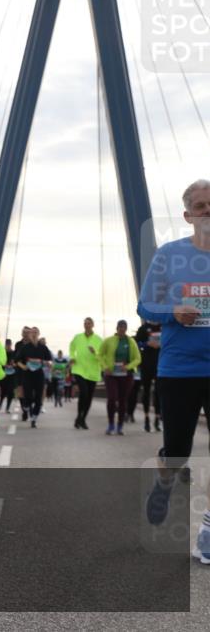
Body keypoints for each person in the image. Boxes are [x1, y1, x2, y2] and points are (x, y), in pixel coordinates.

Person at [139, 178, 210, 567]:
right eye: (201, 206)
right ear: (188, 216)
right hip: (180, 368)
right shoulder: (169, 255)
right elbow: (145, 307)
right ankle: (165, 480)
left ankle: (209, 531)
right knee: (179, 451)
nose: (208, 212)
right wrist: (173, 312)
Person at [98, 319, 142, 435]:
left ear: (126, 329)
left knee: (123, 400)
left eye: (124, 328)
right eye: (120, 328)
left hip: (126, 375)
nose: (122, 330)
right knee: (112, 398)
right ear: (116, 328)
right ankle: (111, 424)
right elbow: (100, 355)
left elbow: (138, 358)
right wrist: (105, 367)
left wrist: (127, 367)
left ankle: (120, 426)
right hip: (111, 374)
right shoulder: (108, 341)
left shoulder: (131, 341)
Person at [69, 317, 103, 429]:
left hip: (93, 372)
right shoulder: (78, 337)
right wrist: (72, 357)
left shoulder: (98, 340)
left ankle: (82, 419)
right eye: (85, 323)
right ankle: (79, 416)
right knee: (84, 392)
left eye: (89, 323)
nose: (86, 325)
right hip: (79, 369)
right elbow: (71, 347)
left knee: (89, 397)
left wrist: (95, 352)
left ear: (93, 325)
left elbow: (102, 356)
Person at [15, 326, 51, 428]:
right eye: (32, 332)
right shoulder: (25, 348)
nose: (34, 334)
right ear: (30, 335)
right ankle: (26, 407)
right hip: (27, 375)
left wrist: (42, 362)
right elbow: (17, 361)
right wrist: (24, 366)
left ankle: (34, 418)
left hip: (39, 374)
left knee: (38, 399)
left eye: (36, 332)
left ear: (38, 334)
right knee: (28, 397)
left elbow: (48, 359)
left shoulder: (43, 347)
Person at [130, 320, 162, 432]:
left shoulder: (163, 326)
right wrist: (147, 344)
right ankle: (147, 419)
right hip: (146, 364)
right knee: (146, 391)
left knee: (158, 392)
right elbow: (135, 344)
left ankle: (157, 419)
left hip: (161, 364)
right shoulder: (143, 328)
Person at [0, 338, 17, 413]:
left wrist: (13, 365)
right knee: (3, 390)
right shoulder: (2, 352)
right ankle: (0, 404)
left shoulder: (14, 353)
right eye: (7, 345)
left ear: (11, 345)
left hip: (12, 375)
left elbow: (17, 363)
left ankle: (7, 408)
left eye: (9, 345)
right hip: (4, 374)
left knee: (10, 392)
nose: (8, 346)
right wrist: (5, 365)